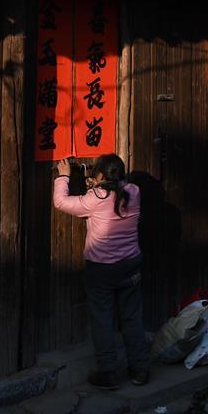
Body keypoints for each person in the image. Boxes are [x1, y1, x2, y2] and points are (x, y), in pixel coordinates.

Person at [53, 154, 149, 389]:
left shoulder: (96, 197)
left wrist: (63, 177)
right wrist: (97, 184)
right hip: (130, 264)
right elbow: (114, 192)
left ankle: (108, 373)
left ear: (101, 175)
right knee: (132, 318)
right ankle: (140, 371)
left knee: (103, 320)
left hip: (102, 269)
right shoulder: (134, 192)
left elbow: (61, 202)